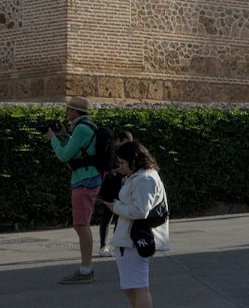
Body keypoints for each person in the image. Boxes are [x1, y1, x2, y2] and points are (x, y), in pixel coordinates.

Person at [102, 140, 169, 308]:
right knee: (130, 287)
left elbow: (140, 211)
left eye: (123, 162)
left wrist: (115, 206)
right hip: (130, 238)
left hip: (134, 239)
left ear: (134, 160)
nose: (121, 166)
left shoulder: (144, 178)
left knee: (138, 287)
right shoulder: (141, 176)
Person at [50, 95, 105, 284]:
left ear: (75, 111)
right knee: (83, 224)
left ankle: (85, 270)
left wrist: (53, 140)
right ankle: (86, 268)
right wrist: (65, 136)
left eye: (68, 109)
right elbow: (82, 150)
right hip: (90, 178)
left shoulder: (81, 128)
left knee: (81, 225)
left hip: (84, 181)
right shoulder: (88, 127)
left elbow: (64, 155)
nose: (66, 112)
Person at [96, 130, 133, 258]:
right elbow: (108, 169)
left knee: (120, 217)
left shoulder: (126, 152)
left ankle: (117, 244)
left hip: (121, 187)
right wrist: (118, 170)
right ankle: (103, 246)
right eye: (124, 143)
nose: (126, 146)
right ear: (118, 141)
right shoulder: (111, 151)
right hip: (110, 187)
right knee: (107, 217)